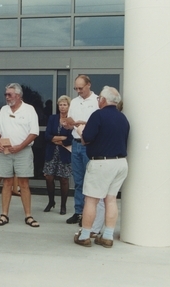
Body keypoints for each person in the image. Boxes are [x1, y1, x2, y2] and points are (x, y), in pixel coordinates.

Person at [74, 86, 129, 248]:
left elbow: (87, 138)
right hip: (120, 163)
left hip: (101, 163)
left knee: (91, 199)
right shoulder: (123, 118)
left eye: (99, 98)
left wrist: (80, 131)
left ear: (103, 100)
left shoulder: (98, 115)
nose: (98, 100)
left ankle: (84, 235)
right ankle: (107, 236)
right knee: (111, 199)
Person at [0, 83, 40, 227]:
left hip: (23, 152)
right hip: (6, 152)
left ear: (18, 96)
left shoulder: (29, 110)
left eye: (10, 95)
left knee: (24, 184)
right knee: (6, 183)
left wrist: (21, 146)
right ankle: (4, 214)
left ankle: (28, 215)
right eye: (6, 95)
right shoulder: (3, 110)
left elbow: (34, 132)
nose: (7, 97)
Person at [62, 75, 99, 225]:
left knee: (90, 181)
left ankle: (89, 214)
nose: (78, 91)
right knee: (78, 180)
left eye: (81, 88)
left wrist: (84, 123)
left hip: (90, 143)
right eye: (76, 89)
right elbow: (70, 120)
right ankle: (78, 211)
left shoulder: (96, 101)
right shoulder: (75, 102)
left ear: (88, 85)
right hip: (76, 143)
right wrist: (68, 124)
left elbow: (98, 123)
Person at [43, 95, 73, 215]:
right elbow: (47, 136)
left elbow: (70, 138)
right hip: (52, 152)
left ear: (68, 106)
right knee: (49, 177)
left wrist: (57, 140)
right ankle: (51, 202)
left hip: (64, 153)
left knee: (64, 179)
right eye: (60, 105)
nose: (62, 107)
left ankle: (63, 206)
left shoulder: (71, 120)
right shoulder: (53, 118)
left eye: (64, 104)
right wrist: (60, 138)